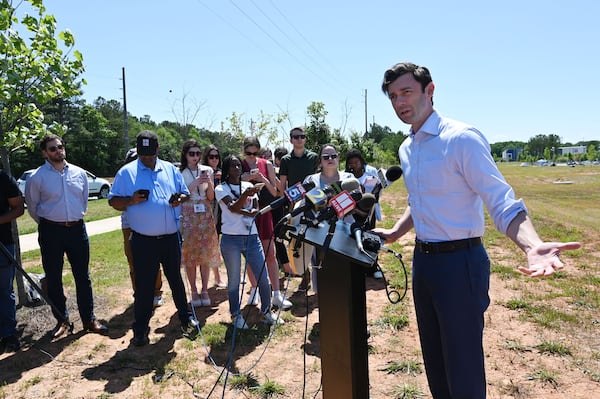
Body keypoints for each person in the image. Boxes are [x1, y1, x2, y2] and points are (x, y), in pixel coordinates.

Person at [373, 62, 581, 399]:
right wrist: (397, 232)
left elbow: (502, 201)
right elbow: (419, 198)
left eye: (406, 92)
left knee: (463, 367)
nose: (399, 102)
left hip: (460, 263)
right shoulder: (407, 147)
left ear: (430, 90)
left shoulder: (461, 139)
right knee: (436, 363)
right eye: (394, 96)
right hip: (424, 263)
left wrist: (532, 245)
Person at [108, 130, 198, 347]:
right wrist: (131, 200)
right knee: (145, 285)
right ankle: (140, 329)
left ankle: (186, 318)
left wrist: (179, 199)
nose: (147, 158)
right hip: (143, 240)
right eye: (143, 154)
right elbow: (113, 202)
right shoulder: (126, 173)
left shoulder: (169, 169)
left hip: (169, 238)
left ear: (157, 149)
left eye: (150, 153)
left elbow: (185, 193)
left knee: (175, 279)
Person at [24, 134, 108, 338]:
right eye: (53, 149)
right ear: (44, 152)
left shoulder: (79, 173)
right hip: (51, 231)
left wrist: (71, 219)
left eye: (60, 147)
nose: (58, 151)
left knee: (83, 276)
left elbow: (83, 202)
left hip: (77, 230)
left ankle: (89, 320)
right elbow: (33, 206)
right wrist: (51, 222)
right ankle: (62, 320)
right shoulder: (37, 177)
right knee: (53, 278)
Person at [214, 155, 283, 329]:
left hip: (252, 237)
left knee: (263, 277)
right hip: (231, 239)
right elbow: (233, 208)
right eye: (232, 166)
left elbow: (256, 207)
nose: (237, 169)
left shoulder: (248, 186)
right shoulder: (221, 188)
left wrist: (251, 206)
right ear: (226, 170)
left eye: (238, 166)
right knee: (234, 280)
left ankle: (266, 311)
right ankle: (236, 314)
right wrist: (246, 200)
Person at [241, 137, 292, 310]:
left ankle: (276, 293)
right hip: (246, 214)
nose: (252, 156)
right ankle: (254, 289)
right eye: (248, 153)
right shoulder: (238, 164)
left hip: (264, 212)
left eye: (255, 153)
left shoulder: (266, 164)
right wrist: (246, 177)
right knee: (250, 256)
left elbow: (275, 191)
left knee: (270, 253)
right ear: (243, 151)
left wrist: (261, 177)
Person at [302, 144, 355, 293]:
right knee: (320, 269)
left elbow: (354, 205)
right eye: (326, 157)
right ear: (320, 161)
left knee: (343, 272)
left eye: (333, 156)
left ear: (339, 158)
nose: (330, 159)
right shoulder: (311, 180)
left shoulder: (348, 178)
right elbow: (307, 206)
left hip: (344, 231)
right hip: (319, 232)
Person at [179, 139, 221, 307]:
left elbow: (211, 197)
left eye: (198, 153)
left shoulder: (208, 170)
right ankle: (194, 291)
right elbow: (181, 195)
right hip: (189, 213)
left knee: (205, 254)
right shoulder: (180, 172)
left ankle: (204, 289)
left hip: (205, 212)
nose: (195, 157)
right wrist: (194, 183)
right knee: (190, 255)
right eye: (192, 154)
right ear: (185, 155)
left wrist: (208, 182)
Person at [121, 148, 164, 307]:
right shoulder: (124, 177)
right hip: (129, 224)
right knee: (133, 260)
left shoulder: (155, 175)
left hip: (151, 223)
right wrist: (131, 199)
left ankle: (156, 292)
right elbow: (116, 201)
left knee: (154, 260)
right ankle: (138, 293)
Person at [278, 127, 319, 290]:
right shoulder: (286, 160)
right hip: (295, 206)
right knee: (298, 240)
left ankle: (318, 278)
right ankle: (305, 275)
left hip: (315, 203)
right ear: (291, 140)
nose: (299, 139)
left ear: (305, 139)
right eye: (296, 137)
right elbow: (282, 185)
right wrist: (288, 203)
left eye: (302, 136)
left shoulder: (314, 157)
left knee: (316, 238)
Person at [345, 149, 384, 279]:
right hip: (352, 212)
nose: (354, 165)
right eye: (351, 163)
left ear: (361, 162)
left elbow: (380, 188)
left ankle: (373, 267)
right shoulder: (346, 177)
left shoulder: (371, 172)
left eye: (357, 162)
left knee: (370, 237)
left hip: (369, 210)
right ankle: (358, 266)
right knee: (354, 238)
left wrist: (370, 197)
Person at [0, 170, 25, 352]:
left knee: (4, 290)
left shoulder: (3, 179)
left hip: (3, 244)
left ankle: (9, 334)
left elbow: (18, 208)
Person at [201, 145, 227, 288]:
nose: (214, 159)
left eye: (217, 156)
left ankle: (218, 276)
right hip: (209, 212)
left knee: (218, 244)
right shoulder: (203, 172)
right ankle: (216, 276)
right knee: (212, 245)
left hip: (223, 211)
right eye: (211, 156)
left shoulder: (222, 172)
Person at [271, 147, 295, 276]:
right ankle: (284, 266)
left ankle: (288, 265)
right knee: (278, 237)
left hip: (288, 207)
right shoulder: (272, 171)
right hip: (275, 207)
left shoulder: (289, 170)